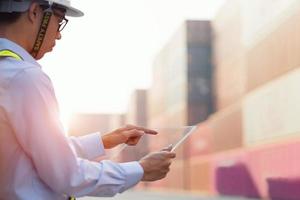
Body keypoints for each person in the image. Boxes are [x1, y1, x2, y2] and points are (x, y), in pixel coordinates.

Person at [0, 0, 176, 199]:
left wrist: (103, 141)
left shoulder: (7, 71)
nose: (58, 34)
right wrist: (141, 169)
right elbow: (67, 174)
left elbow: (34, 155)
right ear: (34, 11)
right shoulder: (24, 77)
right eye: (59, 21)